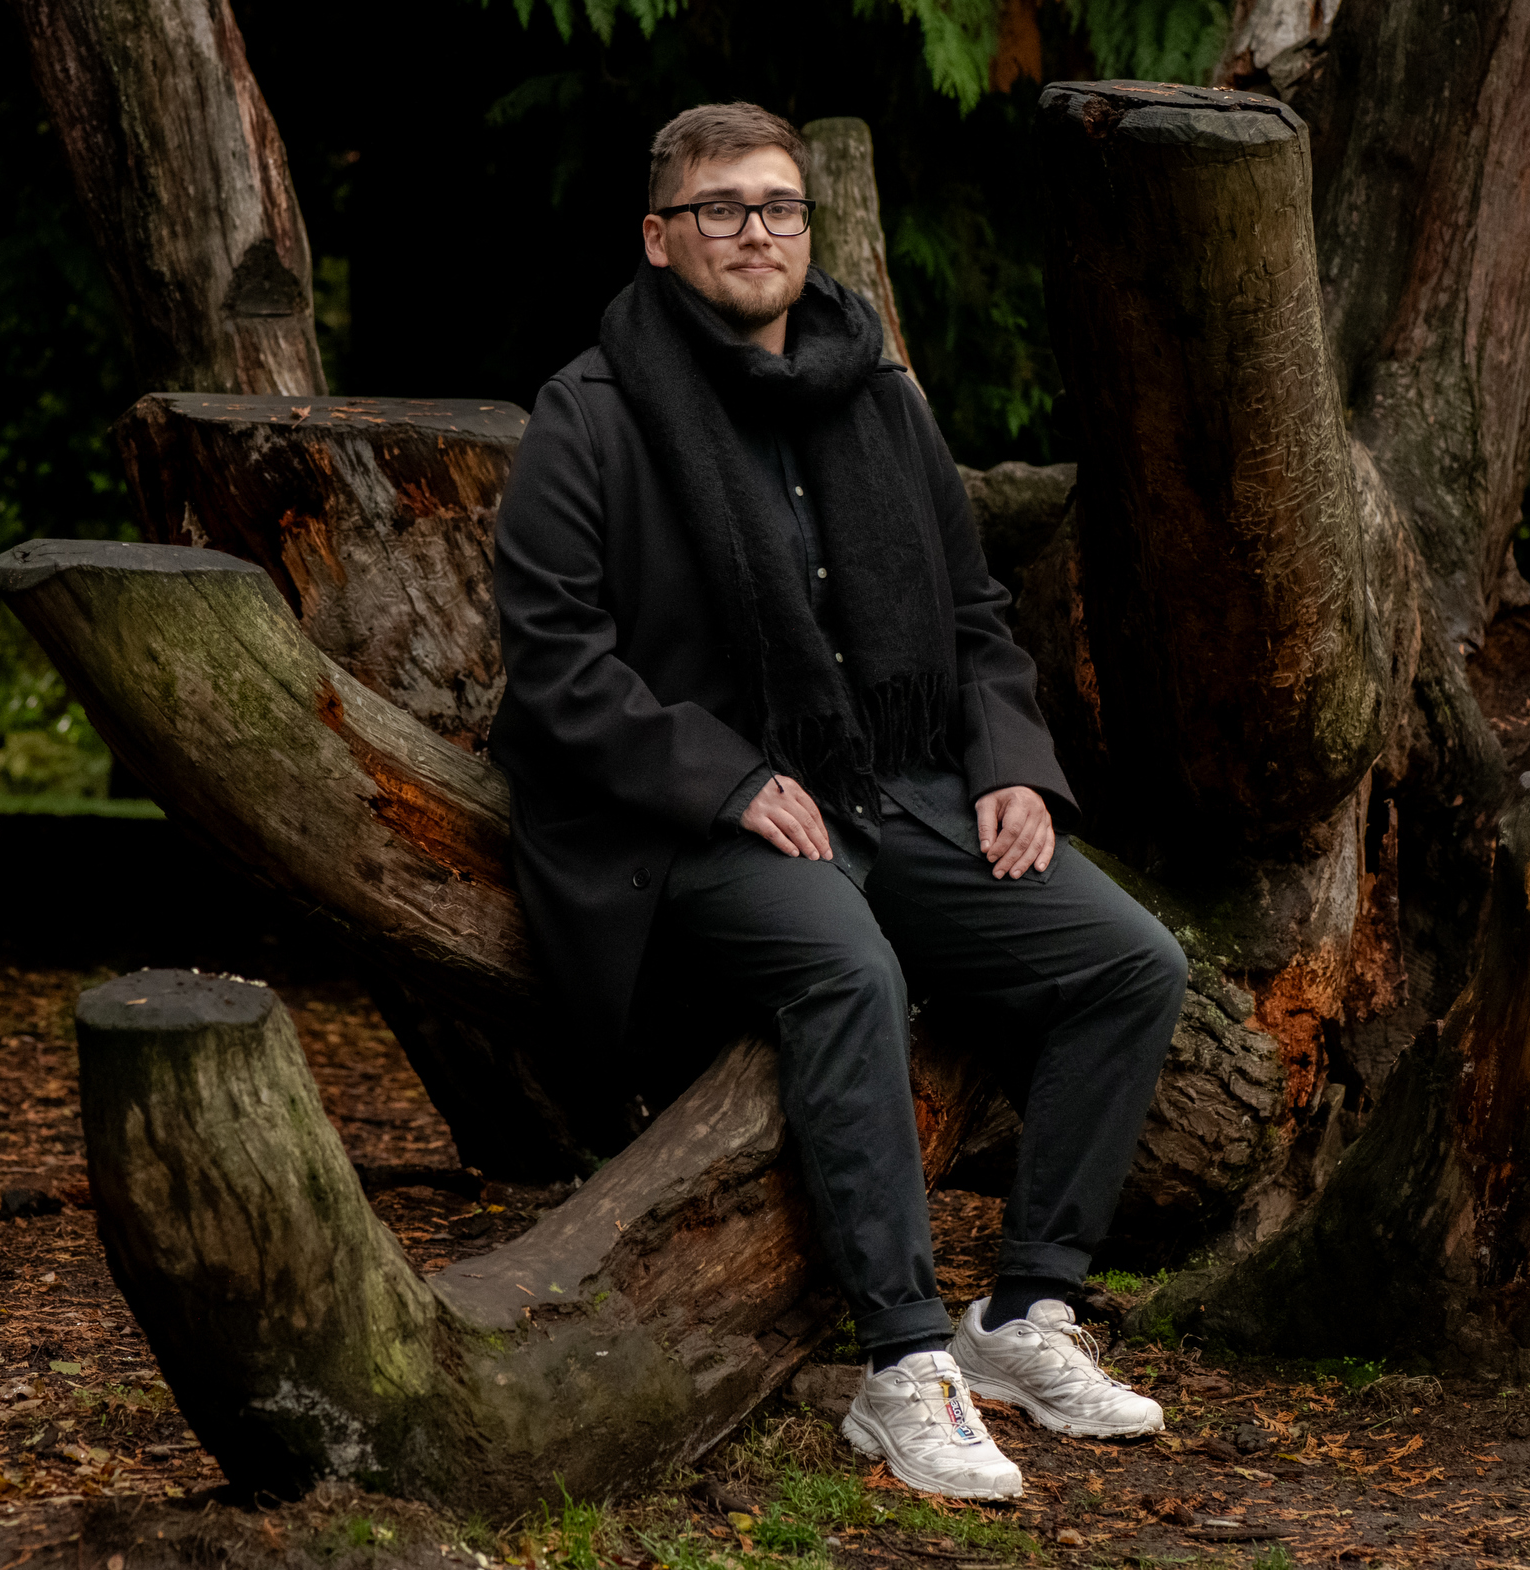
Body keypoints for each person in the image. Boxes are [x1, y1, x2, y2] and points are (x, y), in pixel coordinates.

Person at [488, 101, 1187, 1500]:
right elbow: (558, 665)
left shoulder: (878, 395)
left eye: (781, 207)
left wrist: (1006, 765)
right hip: (676, 815)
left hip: (887, 781)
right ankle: (903, 1364)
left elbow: (976, 616)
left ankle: (1023, 1313)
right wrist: (732, 776)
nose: (758, 230)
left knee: (1130, 960)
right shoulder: (592, 413)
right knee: (848, 966)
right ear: (660, 237)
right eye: (723, 209)